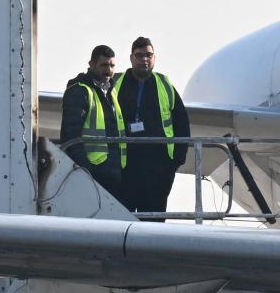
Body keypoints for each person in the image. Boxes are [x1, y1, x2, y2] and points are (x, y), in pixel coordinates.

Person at [113, 35, 191, 216]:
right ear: (131, 58)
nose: (144, 59)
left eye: (148, 55)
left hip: (158, 167)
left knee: (153, 221)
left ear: (154, 58)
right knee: (121, 219)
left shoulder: (165, 84)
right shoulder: (116, 83)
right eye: (139, 55)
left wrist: (176, 160)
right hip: (126, 166)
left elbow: (182, 122)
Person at [57, 45, 128, 203]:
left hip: (114, 169)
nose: (108, 70)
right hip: (93, 170)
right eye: (104, 65)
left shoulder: (112, 91)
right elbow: (70, 133)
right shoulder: (79, 91)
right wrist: (84, 168)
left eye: (112, 65)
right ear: (91, 64)